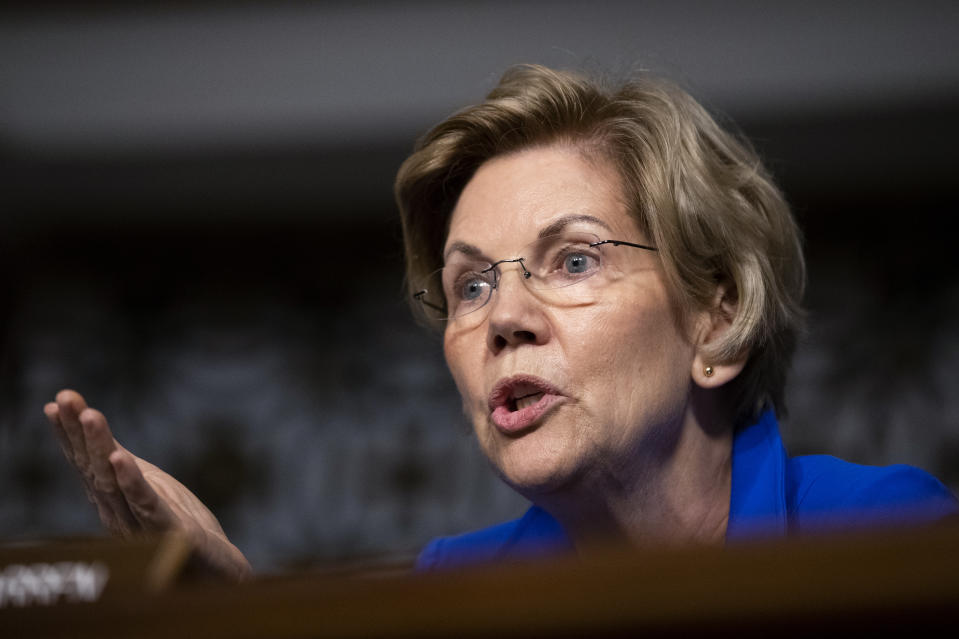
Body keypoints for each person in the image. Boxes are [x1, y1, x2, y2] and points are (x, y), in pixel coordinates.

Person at [43, 64, 958, 579]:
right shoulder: (453, 586)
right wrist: (224, 614)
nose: (503, 320)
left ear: (717, 321)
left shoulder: (892, 536)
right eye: (470, 285)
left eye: (573, 259)